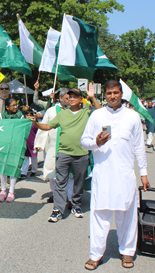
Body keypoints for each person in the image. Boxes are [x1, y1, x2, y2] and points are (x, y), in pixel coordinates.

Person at [80, 80, 150, 270]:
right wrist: (96, 142)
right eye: (109, 93)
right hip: (103, 175)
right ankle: (95, 254)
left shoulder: (133, 117)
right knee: (99, 216)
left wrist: (143, 172)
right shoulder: (96, 116)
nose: (112, 96)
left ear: (121, 94)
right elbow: (84, 141)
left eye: (116, 93)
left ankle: (127, 252)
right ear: (105, 95)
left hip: (125, 174)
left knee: (126, 214)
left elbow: (139, 147)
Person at [32, 84, 101, 221]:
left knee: (78, 182)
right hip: (63, 152)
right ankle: (57, 209)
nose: (72, 99)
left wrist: (93, 98)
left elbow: (101, 112)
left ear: (81, 100)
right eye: (70, 97)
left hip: (81, 153)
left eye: (76, 97)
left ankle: (76, 205)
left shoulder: (86, 112)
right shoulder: (62, 114)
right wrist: (36, 123)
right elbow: (48, 126)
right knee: (60, 181)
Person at [34, 88, 70, 204]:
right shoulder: (51, 111)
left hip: (69, 147)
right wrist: (39, 144)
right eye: (67, 98)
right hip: (53, 146)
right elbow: (44, 126)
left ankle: (68, 197)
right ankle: (55, 194)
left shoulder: (74, 111)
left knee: (69, 173)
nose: (69, 101)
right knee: (52, 171)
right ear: (60, 98)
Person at [0, 97, 24, 202]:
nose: (16, 107)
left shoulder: (20, 116)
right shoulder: (0, 116)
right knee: (2, 169)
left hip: (15, 145)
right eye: (13, 105)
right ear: (7, 107)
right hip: (3, 145)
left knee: (13, 168)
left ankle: (11, 191)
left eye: (16, 105)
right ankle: (3, 190)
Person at [21, 110, 38, 179]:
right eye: (27, 115)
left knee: (33, 158)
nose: (29, 117)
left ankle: (34, 170)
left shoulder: (35, 124)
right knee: (25, 158)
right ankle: (23, 172)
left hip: (33, 143)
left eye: (30, 115)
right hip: (25, 143)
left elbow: (38, 133)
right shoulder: (23, 124)